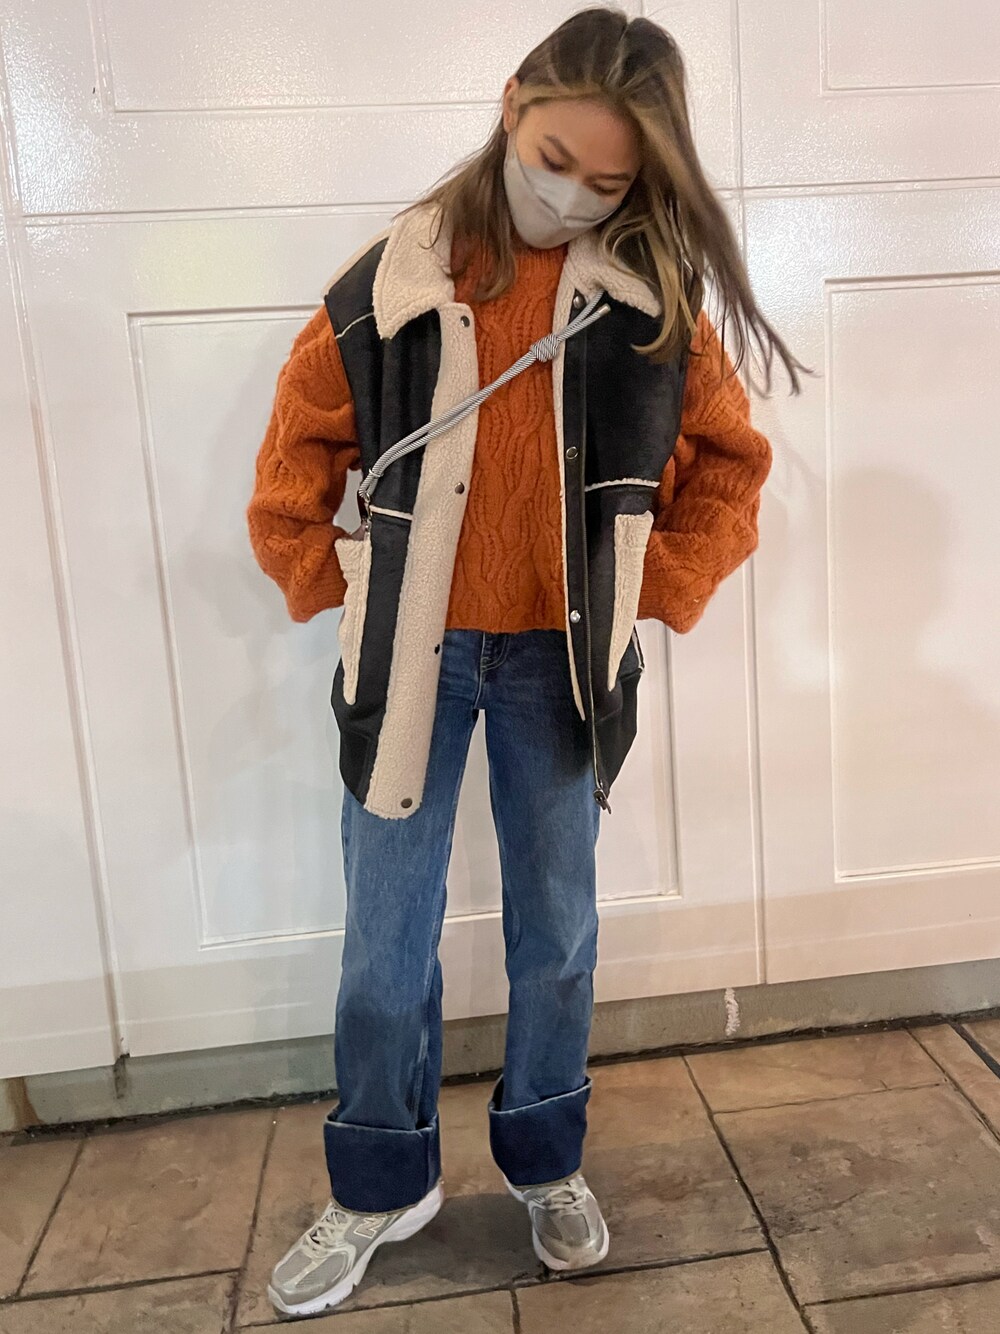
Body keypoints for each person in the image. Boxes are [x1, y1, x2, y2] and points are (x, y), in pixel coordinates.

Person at [247, 6, 800, 1319]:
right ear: (511, 106)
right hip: (412, 662)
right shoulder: (384, 290)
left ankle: (548, 1156)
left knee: (557, 929)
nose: (572, 195)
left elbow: (732, 465)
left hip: (560, 665)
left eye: (609, 182)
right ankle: (379, 1182)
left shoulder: (649, 309)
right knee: (383, 944)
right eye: (556, 157)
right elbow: (291, 465)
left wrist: (656, 586)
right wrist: (334, 583)